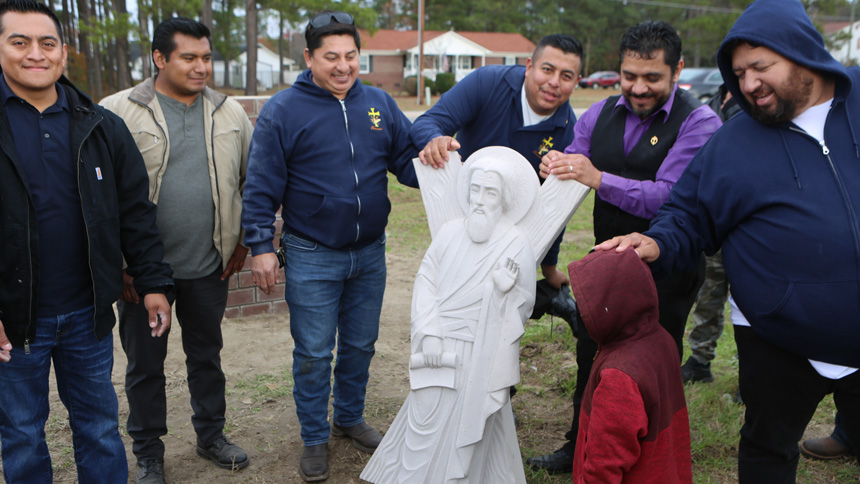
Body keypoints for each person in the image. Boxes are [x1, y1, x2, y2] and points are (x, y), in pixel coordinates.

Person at [596, 0, 860, 481]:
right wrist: (654, 243)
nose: (749, 84)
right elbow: (688, 213)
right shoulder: (735, 140)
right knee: (768, 448)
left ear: (803, 54)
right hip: (779, 337)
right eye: (739, 73)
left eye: (761, 67)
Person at [530, 20, 721, 473]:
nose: (638, 87)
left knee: (650, 367)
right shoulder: (599, 114)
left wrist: (597, 177)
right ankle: (579, 444)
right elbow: (573, 160)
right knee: (591, 355)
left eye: (652, 77)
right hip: (609, 270)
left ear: (676, 71)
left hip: (669, 271)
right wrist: (557, 164)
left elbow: (671, 195)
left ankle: (646, 457)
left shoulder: (699, 122)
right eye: (629, 75)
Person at [241, 10, 419, 482]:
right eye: (330, 57)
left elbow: (406, 160)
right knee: (315, 352)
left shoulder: (378, 102)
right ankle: (314, 438)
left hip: (370, 252)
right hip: (312, 253)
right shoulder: (283, 110)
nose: (343, 66)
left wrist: (438, 163)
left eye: (350, 56)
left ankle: (349, 418)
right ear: (309, 58)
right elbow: (260, 185)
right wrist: (260, 245)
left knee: (360, 344)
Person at [0, 0, 174, 482]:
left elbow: (136, 214)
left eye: (47, 43)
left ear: (63, 53)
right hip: (14, 325)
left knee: (98, 427)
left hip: (86, 314)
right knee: (21, 433)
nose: (35, 53)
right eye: (19, 42)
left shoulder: (101, 126)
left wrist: (153, 282)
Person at [101, 17, 253, 483]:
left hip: (208, 267)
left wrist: (242, 240)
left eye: (206, 57)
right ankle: (148, 453)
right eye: (189, 57)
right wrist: (121, 266)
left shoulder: (231, 114)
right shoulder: (116, 112)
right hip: (144, 277)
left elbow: (250, 182)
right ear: (159, 58)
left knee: (206, 356)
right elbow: (100, 199)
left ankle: (211, 436)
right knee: (145, 367)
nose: (201, 67)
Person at [362, 153, 537, 484]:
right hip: (440, 345)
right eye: (476, 190)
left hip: (482, 351)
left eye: (491, 193)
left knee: (474, 429)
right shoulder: (449, 233)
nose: (481, 201)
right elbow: (426, 282)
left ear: (504, 199)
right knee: (424, 421)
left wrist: (502, 293)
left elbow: (524, 304)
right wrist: (429, 333)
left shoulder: (516, 243)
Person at [410, 34, 583, 331]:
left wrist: (549, 268)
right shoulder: (486, 82)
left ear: (576, 82)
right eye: (547, 69)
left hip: (515, 227)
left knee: (505, 298)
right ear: (529, 66)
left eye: (566, 76)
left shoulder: (568, 132)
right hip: (464, 211)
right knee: (454, 296)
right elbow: (427, 122)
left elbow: (554, 210)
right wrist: (435, 140)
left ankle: (502, 366)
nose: (554, 82)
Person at [568, 248, 692, 484]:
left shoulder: (619, 375)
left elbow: (604, 464)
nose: (583, 311)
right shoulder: (661, 339)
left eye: (589, 303)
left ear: (610, 306)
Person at [681, 85, 740, 384]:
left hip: (746, 224)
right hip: (713, 220)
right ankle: (700, 361)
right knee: (709, 294)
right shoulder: (714, 101)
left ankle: (753, 377)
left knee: (751, 306)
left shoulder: (759, 104)